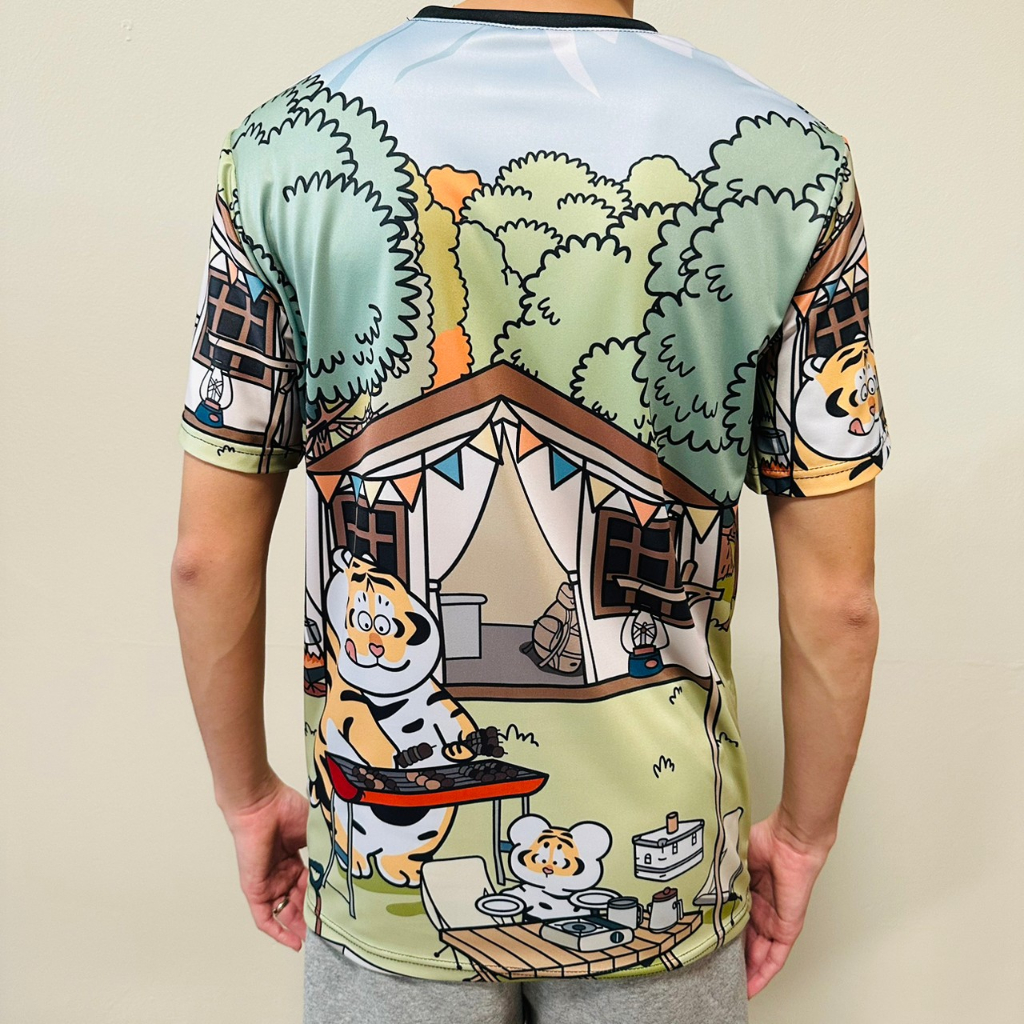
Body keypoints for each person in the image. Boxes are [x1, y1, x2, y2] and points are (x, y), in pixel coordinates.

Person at [171, 2, 890, 1022]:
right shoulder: (796, 164)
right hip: (666, 875)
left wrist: (248, 797)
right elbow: (839, 603)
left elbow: (205, 559)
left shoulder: (279, 150)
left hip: (383, 904)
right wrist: (805, 836)